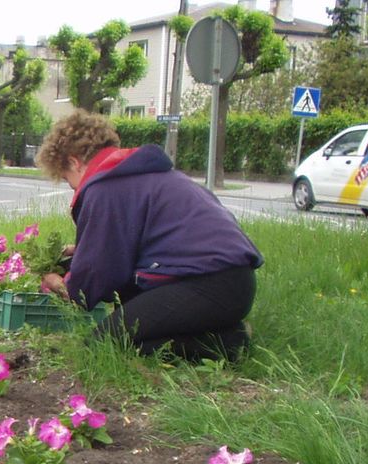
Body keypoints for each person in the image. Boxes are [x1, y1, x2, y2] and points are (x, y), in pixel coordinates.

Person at [35, 111, 262, 361]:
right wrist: (85, 250)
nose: (75, 189)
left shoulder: (104, 187)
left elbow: (86, 289)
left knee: (104, 344)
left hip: (206, 285)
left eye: (69, 181)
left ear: (74, 161)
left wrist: (58, 281)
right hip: (235, 283)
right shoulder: (146, 174)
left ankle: (232, 343)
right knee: (130, 333)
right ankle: (222, 336)